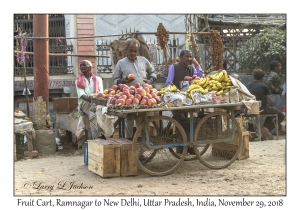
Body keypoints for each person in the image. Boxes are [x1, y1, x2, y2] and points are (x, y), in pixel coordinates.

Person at [112, 38, 157, 141]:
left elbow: (153, 72)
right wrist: (123, 81)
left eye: (135, 51)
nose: (133, 53)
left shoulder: (143, 60)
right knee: (129, 121)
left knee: (142, 123)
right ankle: (129, 146)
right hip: (128, 97)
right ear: (126, 50)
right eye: (131, 50)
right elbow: (115, 79)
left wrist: (151, 80)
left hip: (144, 96)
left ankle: (141, 151)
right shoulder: (121, 63)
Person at [246, 69, 284, 140]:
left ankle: (253, 132)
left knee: (270, 112)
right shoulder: (264, 86)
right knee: (281, 115)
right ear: (262, 78)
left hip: (250, 109)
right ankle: (266, 128)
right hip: (262, 108)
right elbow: (268, 101)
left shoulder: (248, 85)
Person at [75, 60, 104, 141]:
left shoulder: (98, 79)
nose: (82, 67)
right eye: (81, 66)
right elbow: (82, 96)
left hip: (96, 102)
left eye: (84, 65)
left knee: (95, 108)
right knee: (93, 110)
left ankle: (99, 135)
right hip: (85, 103)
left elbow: (101, 93)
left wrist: (94, 98)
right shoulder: (79, 81)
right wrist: (92, 99)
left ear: (90, 67)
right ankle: (97, 137)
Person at [265, 60, 285, 134]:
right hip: (275, 96)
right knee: (277, 113)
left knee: (276, 112)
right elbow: (268, 82)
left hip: (275, 95)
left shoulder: (275, 74)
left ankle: (271, 130)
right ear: (275, 67)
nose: (281, 67)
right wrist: (274, 89)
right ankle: (272, 130)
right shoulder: (274, 74)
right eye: (279, 66)